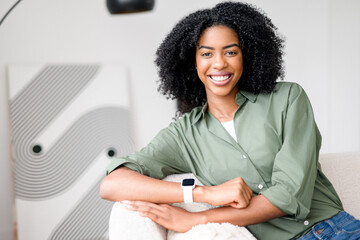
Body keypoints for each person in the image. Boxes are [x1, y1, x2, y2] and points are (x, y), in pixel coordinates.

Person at [100, 2, 360, 239]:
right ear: (193, 62)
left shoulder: (288, 99)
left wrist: (198, 218)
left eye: (231, 52)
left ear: (247, 56)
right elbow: (112, 184)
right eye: (207, 54)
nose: (219, 64)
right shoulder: (184, 135)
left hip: (336, 230)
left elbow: (288, 196)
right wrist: (203, 194)